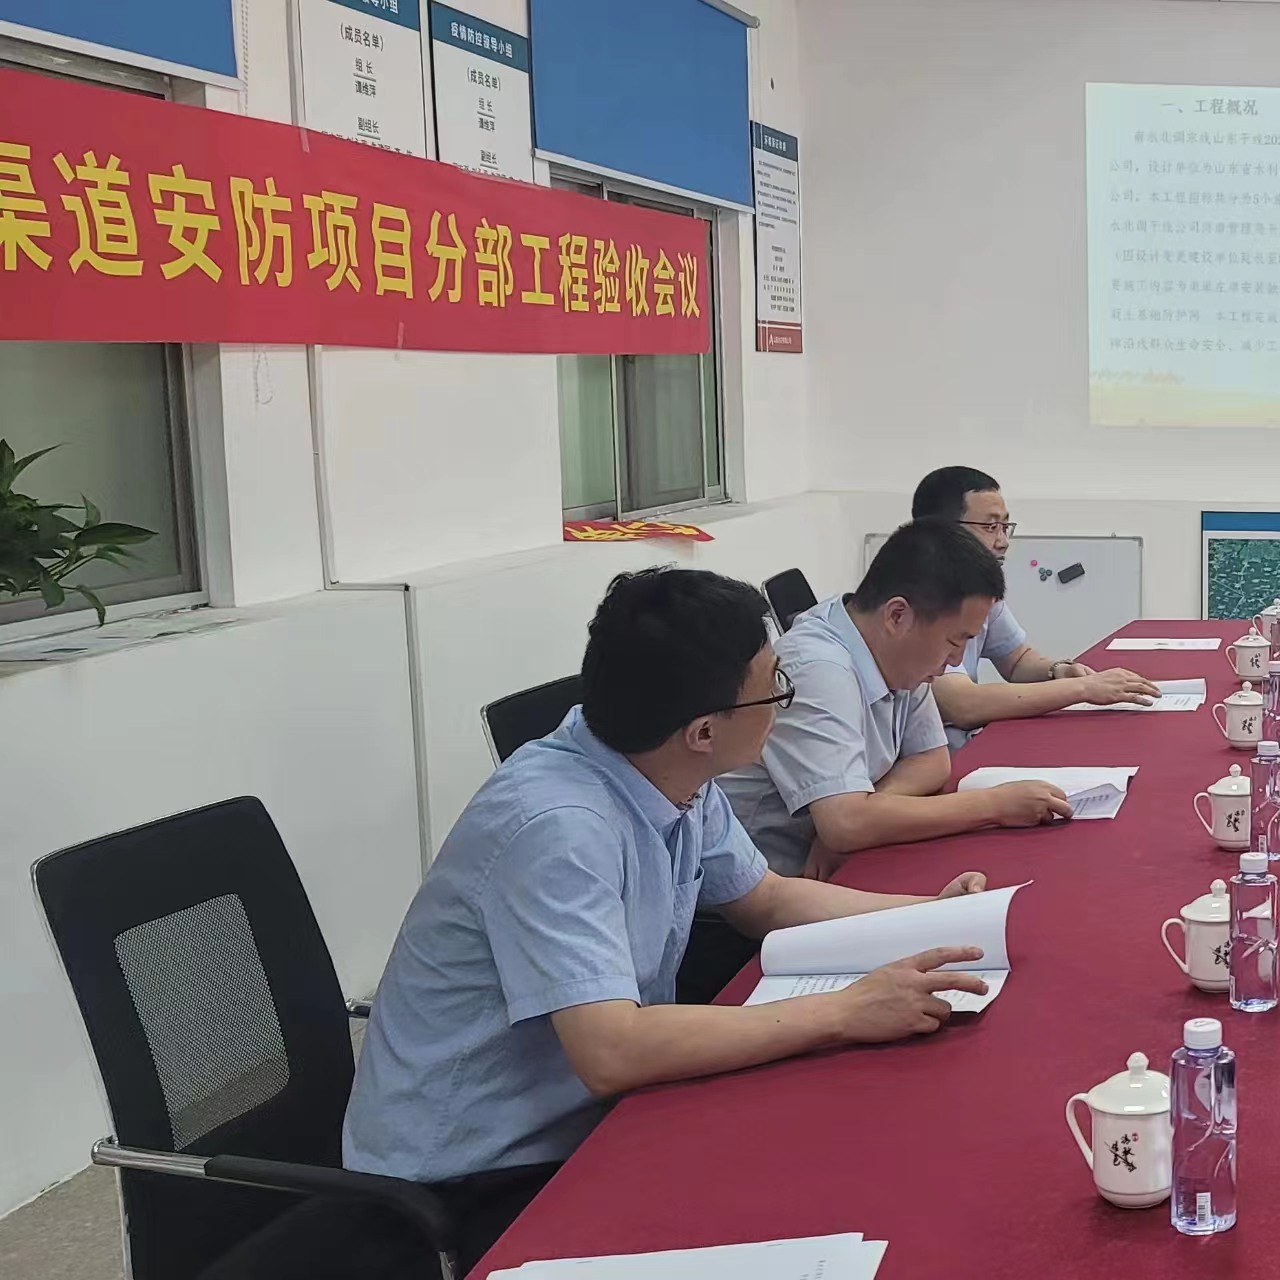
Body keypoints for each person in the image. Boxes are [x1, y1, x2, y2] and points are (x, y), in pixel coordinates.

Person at [340, 568, 995, 1269]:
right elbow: (612, 1051)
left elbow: (768, 900)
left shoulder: (663, 766)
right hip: (476, 1173)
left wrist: (932, 917)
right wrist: (844, 1011)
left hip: (590, 1113)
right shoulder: (559, 828)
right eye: (776, 689)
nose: (785, 702)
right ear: (704, 730)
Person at [722, 519, 1074, 881]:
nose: (957, 660)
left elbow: (932, 761)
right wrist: (994, 805)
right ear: (897, 615)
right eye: (954, 641)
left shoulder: (896, 649)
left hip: (844, 863)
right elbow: (846, 823)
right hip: (767, 887)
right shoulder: (817, 669)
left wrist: (868, 810)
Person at [911, 466, 1158, 746]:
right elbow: (964, 704)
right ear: (942, 530)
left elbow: (1016, 660)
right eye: (990, 527)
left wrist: (1058, 670)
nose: (1003, 542)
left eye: (1005, 527)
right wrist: (1083, 688)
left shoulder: (978, 588)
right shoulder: (918, 596)